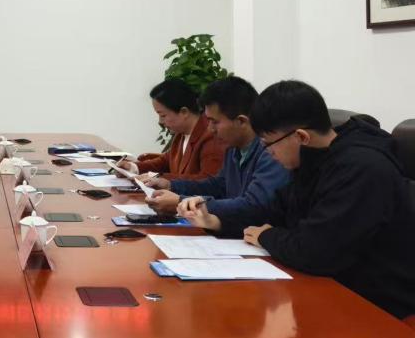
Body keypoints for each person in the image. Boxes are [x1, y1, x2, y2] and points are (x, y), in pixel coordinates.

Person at [182, 80, 415, 320]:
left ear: (301, 137)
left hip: (376, 307)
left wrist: (266, 236)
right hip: (328, 291)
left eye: (268, 146)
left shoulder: (362, 169)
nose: (269, 154)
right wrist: (218, 222)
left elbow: (316, 252)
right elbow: (274, 210)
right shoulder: (313, 159)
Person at [147, 77, 289, 216]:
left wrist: (182, 202)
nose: (210, 129)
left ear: (241, 121)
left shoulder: (272, 152)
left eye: (214, 122)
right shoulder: (233, 148)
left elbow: (253, 205)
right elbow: (218, 186)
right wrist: (171, 185)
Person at [118, 78, 226, 182]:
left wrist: (159, 178)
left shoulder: (211, 137)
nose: (160, 121)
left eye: (163, 115)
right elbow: (166, 161)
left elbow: (207, 181)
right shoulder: (181, 133)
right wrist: (133, 167)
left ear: (184, 112)